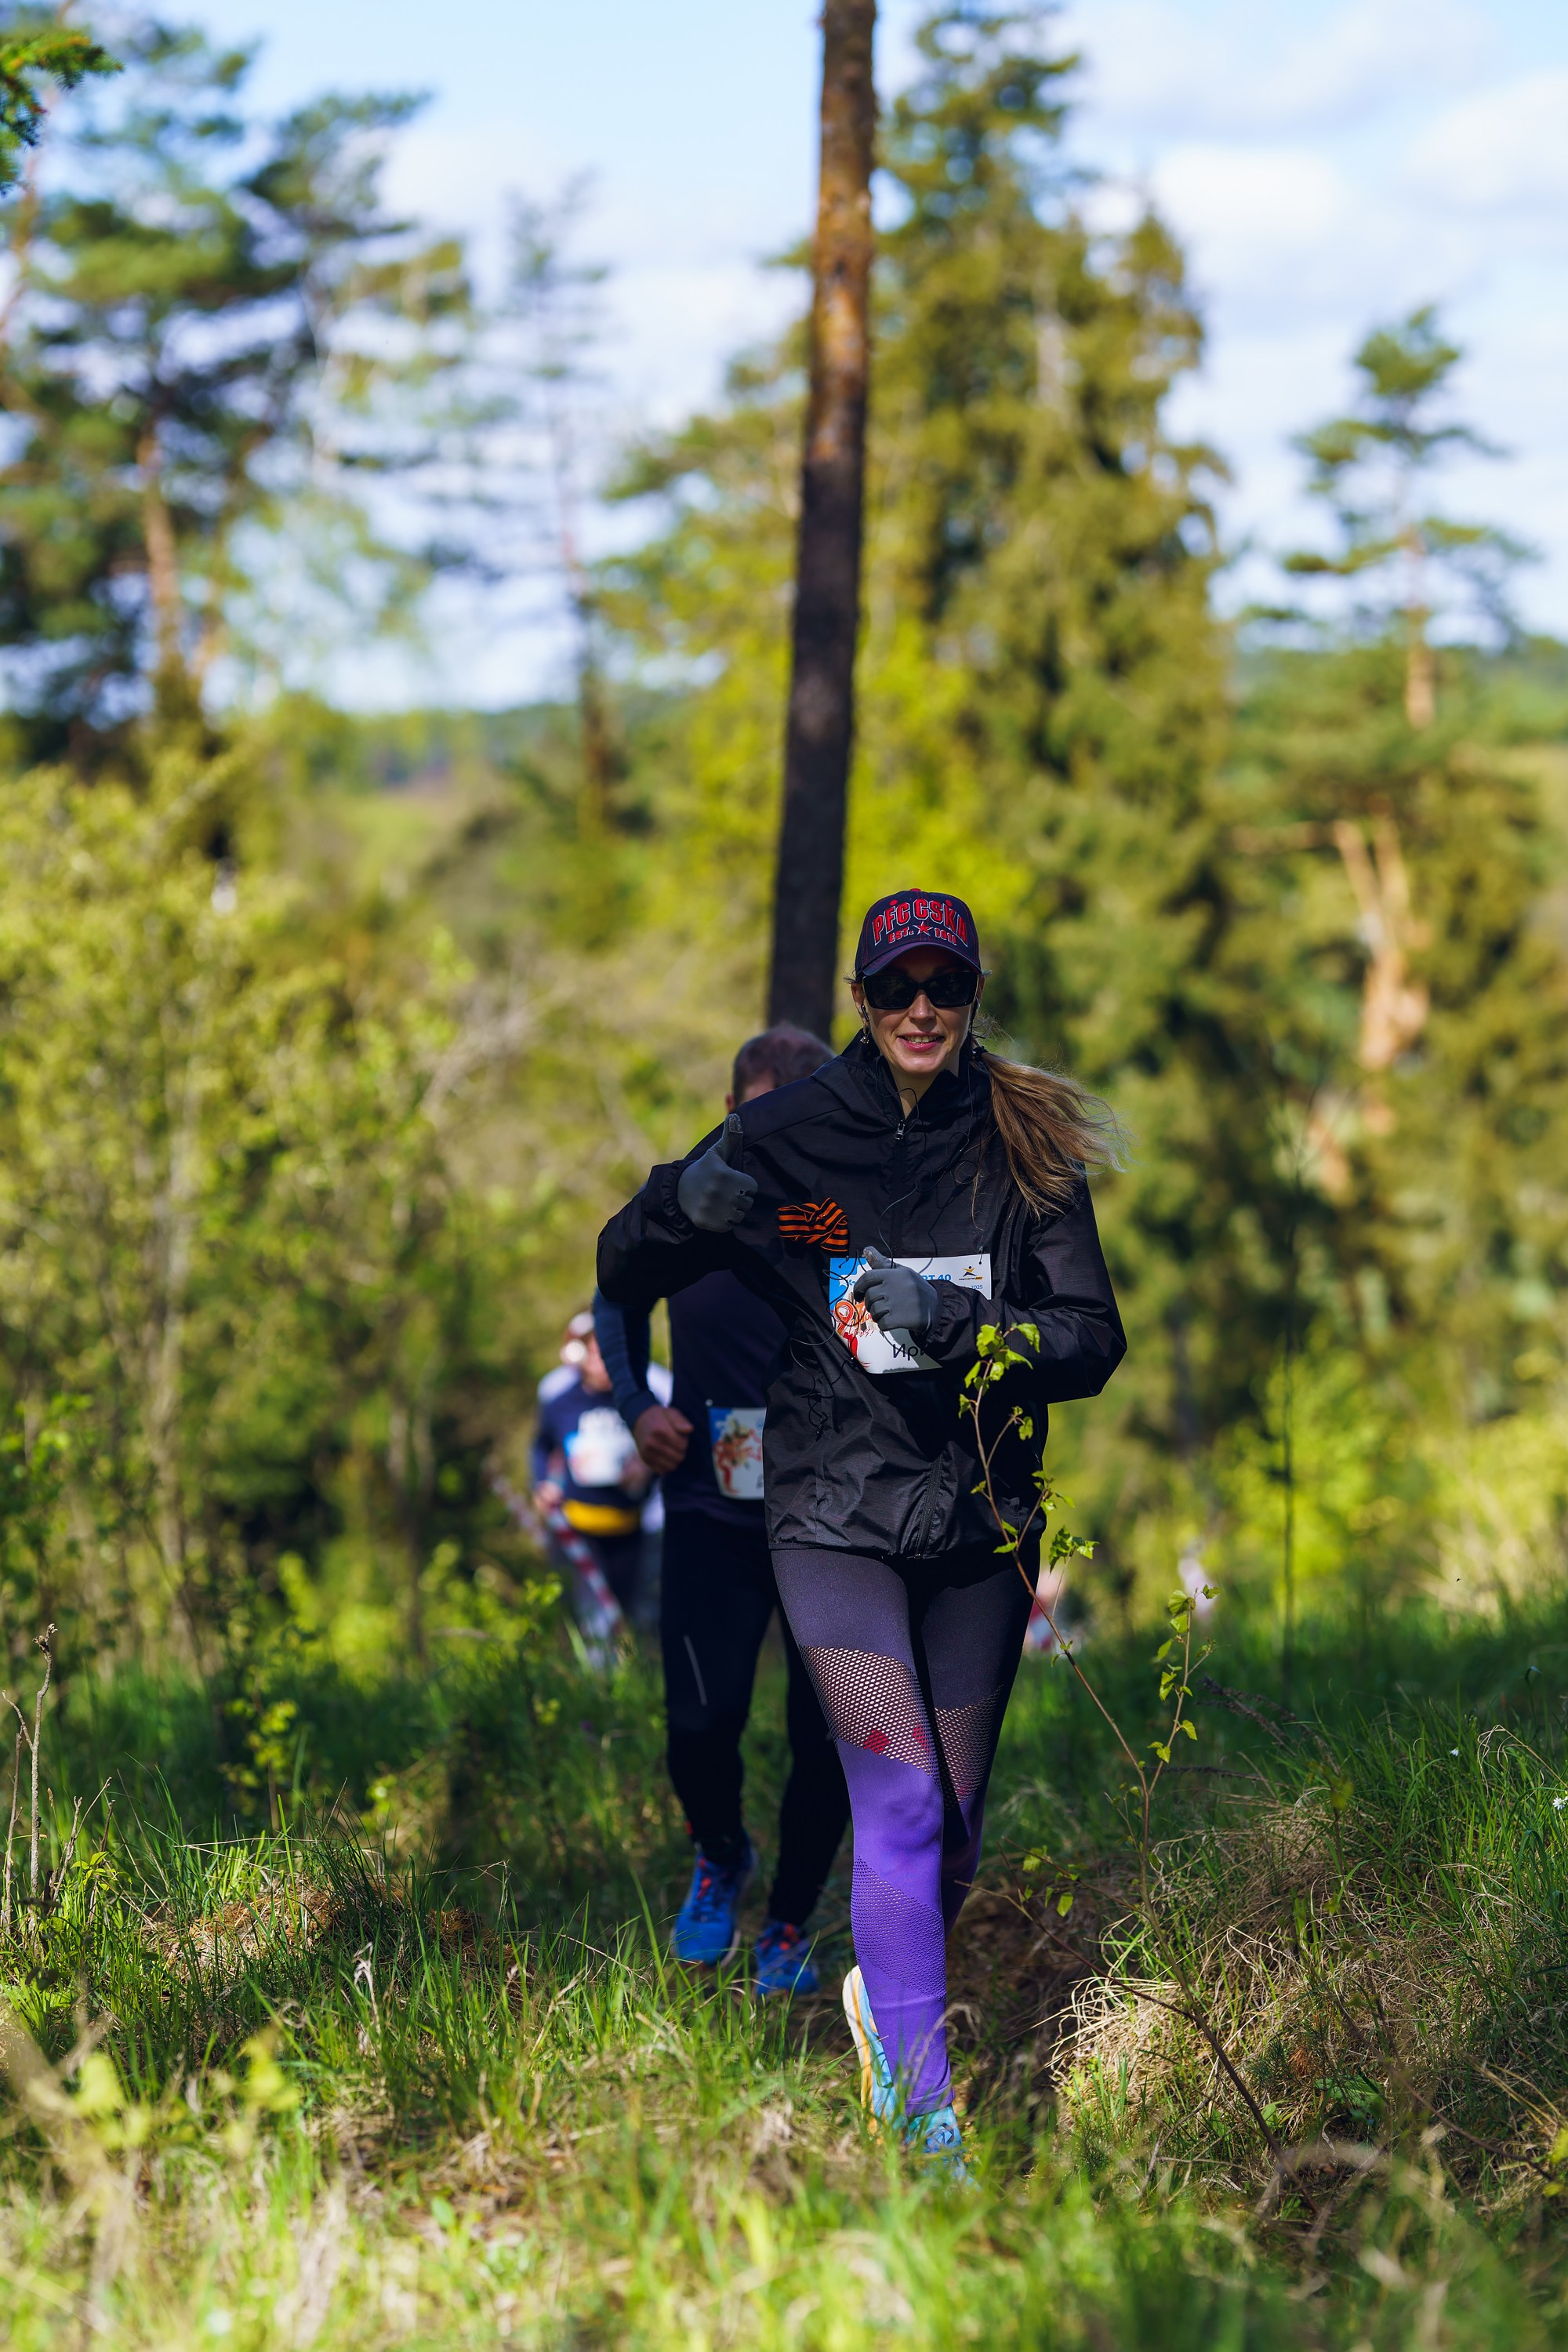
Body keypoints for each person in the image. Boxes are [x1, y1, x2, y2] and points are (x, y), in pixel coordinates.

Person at [598, 890, 1124, 2174]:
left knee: (948, 1825)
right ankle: (926, 2124)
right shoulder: (789, 1135)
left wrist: (967, 1331)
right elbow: (628, 1257)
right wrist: (688, 1212)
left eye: (945, 986)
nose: (922, 1009)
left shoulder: (1024, 1145)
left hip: (981, 1527)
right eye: (898, 987)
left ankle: (889, 2005)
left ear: (972, 996)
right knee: (892, 1807)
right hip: (830, 1520)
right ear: (863, 999)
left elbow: (1090, 1339)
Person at [593, 1025, 851, 1995]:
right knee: (698, 1726)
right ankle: (720, 1853)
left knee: (822, 1733)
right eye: (757, 1115)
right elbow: (614, 1293)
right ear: (733, 1111)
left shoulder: (835, 1217)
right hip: (708, 1505)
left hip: (828, 1515)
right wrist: (637, 1406)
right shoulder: (694, 1205)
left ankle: (787, 1925)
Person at [532, 1310, 669, 1635]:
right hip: (579, 1528)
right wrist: (541, 1485)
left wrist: (648, 1467)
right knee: (591, 1621)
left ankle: (635, 1679)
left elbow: (671, 1454)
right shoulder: (559, 1400)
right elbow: (540, 1447)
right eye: (594, 1352)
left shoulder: (644, 1399)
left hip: (634, 1528)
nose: (601, 1361)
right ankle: (596, 1681)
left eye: (609, 1353)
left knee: (638, 1616)